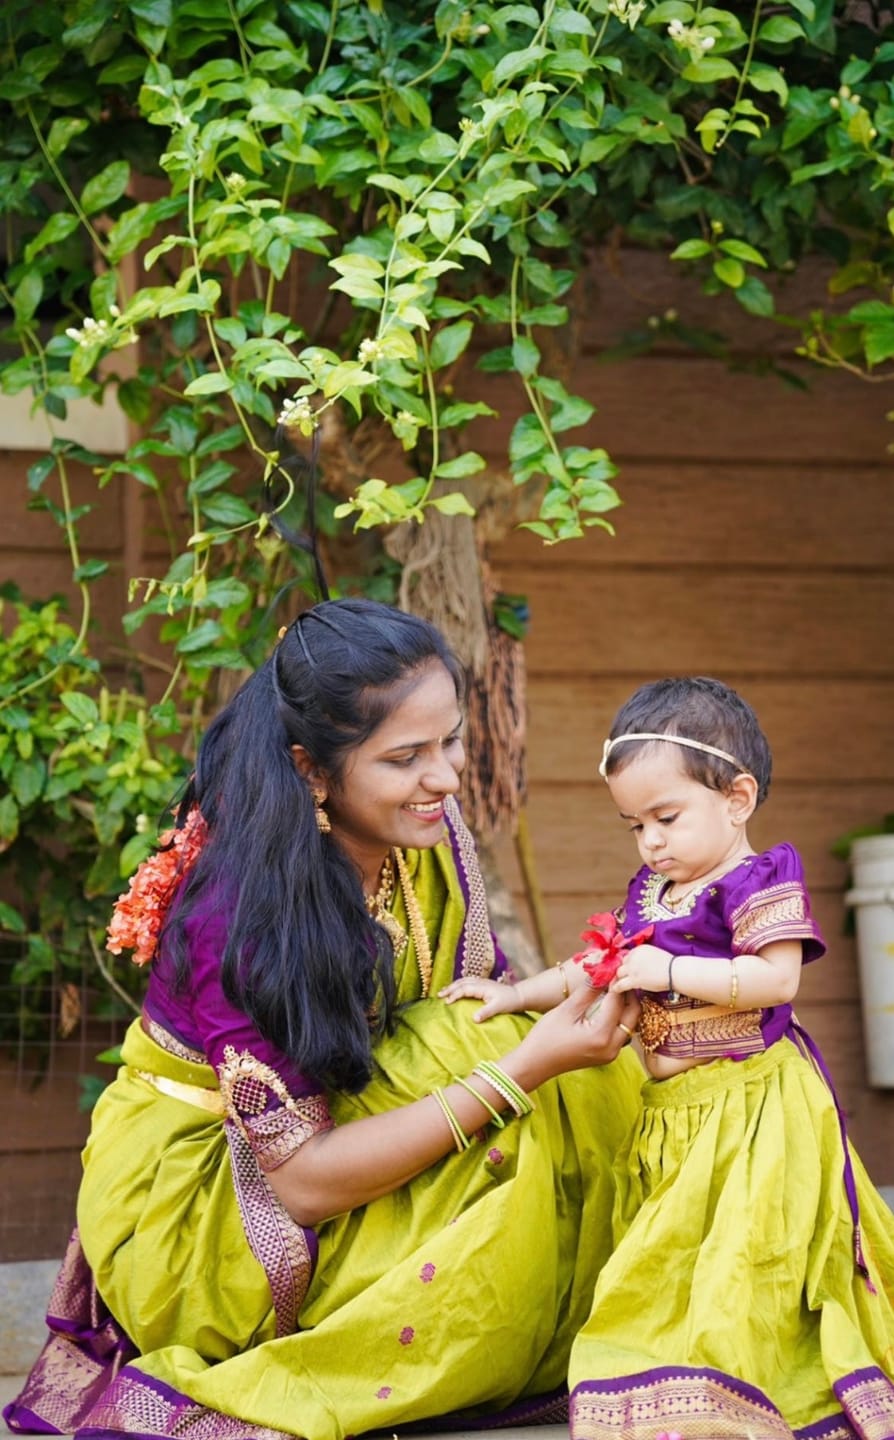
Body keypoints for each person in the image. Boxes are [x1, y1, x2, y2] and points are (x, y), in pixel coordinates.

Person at [4, 599, 644, 1440]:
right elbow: (300, 1182)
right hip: (212, 1201)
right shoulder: (243, 915)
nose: (446, 779)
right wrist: (523, 1071)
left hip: (357, 1113)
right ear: (312, 769)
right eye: (405, 758)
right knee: (517, 1078)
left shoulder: (424, 828)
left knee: (556, 1068)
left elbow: (469, 1001)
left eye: (451, 741)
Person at [442, 677, 894, 1439]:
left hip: (751, 1111)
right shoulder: (656, 890)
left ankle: (728, 1394)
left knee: (740, 1259)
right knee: (670, 1254)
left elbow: (776, 978)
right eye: (633, 826)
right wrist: (514, 996)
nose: (650, 841)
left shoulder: (757, 880)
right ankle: (667, 1387)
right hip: (672, 1118)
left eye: (666, 818)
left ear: (738, 799)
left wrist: (670, 973)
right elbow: (597, 964)